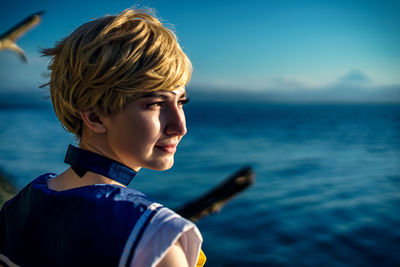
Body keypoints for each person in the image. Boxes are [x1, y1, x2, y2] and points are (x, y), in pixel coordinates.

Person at [0, 9, 206, 267]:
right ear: (95, 117)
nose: (179, 126)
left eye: (181, 102)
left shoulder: (18, 207)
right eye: (155, 104)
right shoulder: (155, 241)